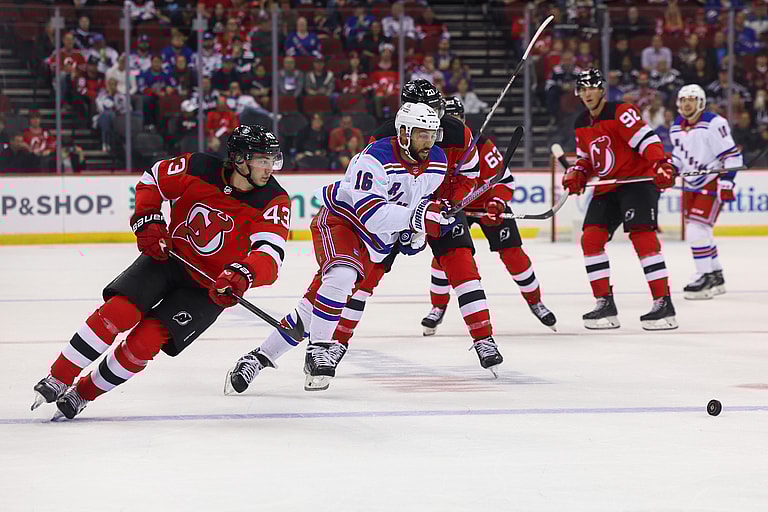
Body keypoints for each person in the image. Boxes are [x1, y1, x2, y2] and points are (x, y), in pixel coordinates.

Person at [31, 125, 291, 420]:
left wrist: (244, 274)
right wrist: (148, 219)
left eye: (273, 160)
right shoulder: (198, 167)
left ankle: (83, 393)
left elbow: (271, 256)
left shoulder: (274, 200)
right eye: (262, 160)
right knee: (119, 312)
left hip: (210, 288)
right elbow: (152, 179)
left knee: (147, 342)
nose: (270, 168)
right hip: (169, 258)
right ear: (240, 159)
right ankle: (59, 377)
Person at [225, 102, 452, 393]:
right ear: (404, 132)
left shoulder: (438, 162)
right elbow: (372, 214)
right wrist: (418, 218)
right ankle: (319, 348)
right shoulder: (374, 158)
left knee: (310, 312)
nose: (429, 142)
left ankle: (258, 358)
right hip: (342, 223)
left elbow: (414, 205)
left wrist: (415, 235)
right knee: (342, 275)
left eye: (433, 135)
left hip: (375, 245)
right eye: (422, 134)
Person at [422, 96, 556, 335]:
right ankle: (437, 307)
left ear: (464, 120)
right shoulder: (431, 146)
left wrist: (497, 202)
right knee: (445, 256)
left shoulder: (480, 144)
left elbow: (505, 179)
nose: (452, 124)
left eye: (457, 119)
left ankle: (535, 300)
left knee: (513, 254)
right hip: (454, 207)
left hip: (487, 205)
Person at [562, 69, 678, 331]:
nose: (588, 93)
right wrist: (578, 172)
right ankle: (604, 302)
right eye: (583, 88)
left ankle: (663, 302)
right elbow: (587, 159)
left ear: (602, 89)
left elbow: (647, 140)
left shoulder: (620, 111)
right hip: (608, 187)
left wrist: (660, 163)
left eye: (593, 87)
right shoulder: (581, 121)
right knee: (590, 239)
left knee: (642, 237)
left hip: (636, 182)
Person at [670, 84, 742, 300]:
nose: (687, 103)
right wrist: (670, 169)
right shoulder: (675, 126)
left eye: (691, 99)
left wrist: (727, 181)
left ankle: (704, 275)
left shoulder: (714, 123)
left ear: (701, 102)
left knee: (696, 229)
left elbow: (732, 155)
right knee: (701, 230)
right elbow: (678, 156)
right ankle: (716, 275)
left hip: (711, 180)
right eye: (683, 100)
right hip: (690, 183)